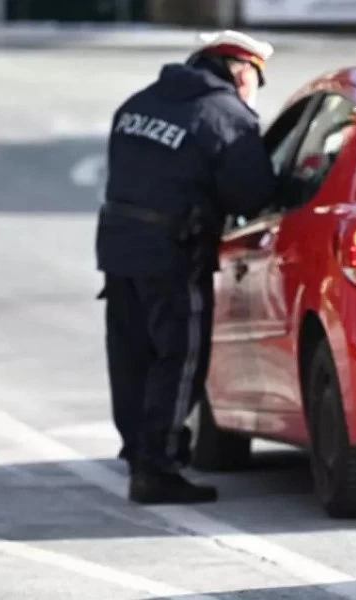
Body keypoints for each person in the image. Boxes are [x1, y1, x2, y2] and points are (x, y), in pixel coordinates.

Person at [96, 30, 278, 505]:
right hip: (175, 255)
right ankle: (158, 468)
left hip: (118, 251)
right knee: (178, 361)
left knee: (130, 357)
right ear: (242, 71)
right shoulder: (227, 117)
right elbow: (252, 196)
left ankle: (139, 455)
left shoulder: (138, 103)